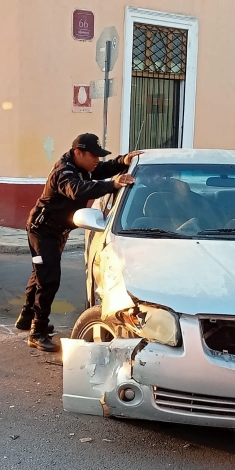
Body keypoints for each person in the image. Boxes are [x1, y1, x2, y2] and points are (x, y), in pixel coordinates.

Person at [16, 133, 142, 351]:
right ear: (78, 153)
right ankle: (38, 331)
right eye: (93, 155)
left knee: (40, 273)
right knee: (48, 278)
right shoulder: (64, 172)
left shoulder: (82, 167)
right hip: (42, 230)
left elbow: (100, 170)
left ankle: (28, 317)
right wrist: (112, 185)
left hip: (56, 231)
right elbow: (77, 190)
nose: (97, 160)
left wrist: (122, 161)